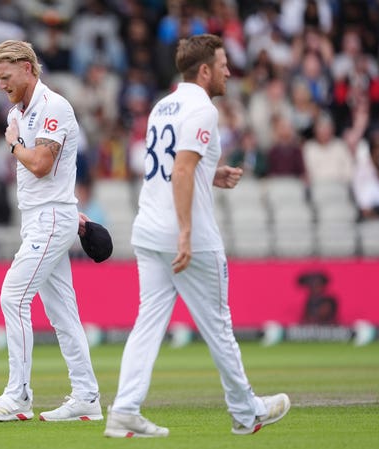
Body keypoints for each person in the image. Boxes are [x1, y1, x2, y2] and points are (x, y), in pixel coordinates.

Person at [104, 34, 290, 438]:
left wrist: (211, 172)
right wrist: (186, 233)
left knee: (147, 323)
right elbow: (183, 170)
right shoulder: (203, 109)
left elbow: (180, 164)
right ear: (204, 70)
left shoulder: (162, 105)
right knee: (219, 327)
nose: (228, 71)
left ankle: (124, 410)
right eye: (223, 65)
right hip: (186, 235)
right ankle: (246, 411)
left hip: (149, 229)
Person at [0, 40, 102, 422]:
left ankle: (18, 396)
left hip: (49, 220)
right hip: (42, 217)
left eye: (6, 76)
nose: (1, 84)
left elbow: (43, 164)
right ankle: (87, 398)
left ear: (28, 68)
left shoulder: (53, 106)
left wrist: (13, 145)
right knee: (63, 314)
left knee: (13, 297)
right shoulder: (21, 111)